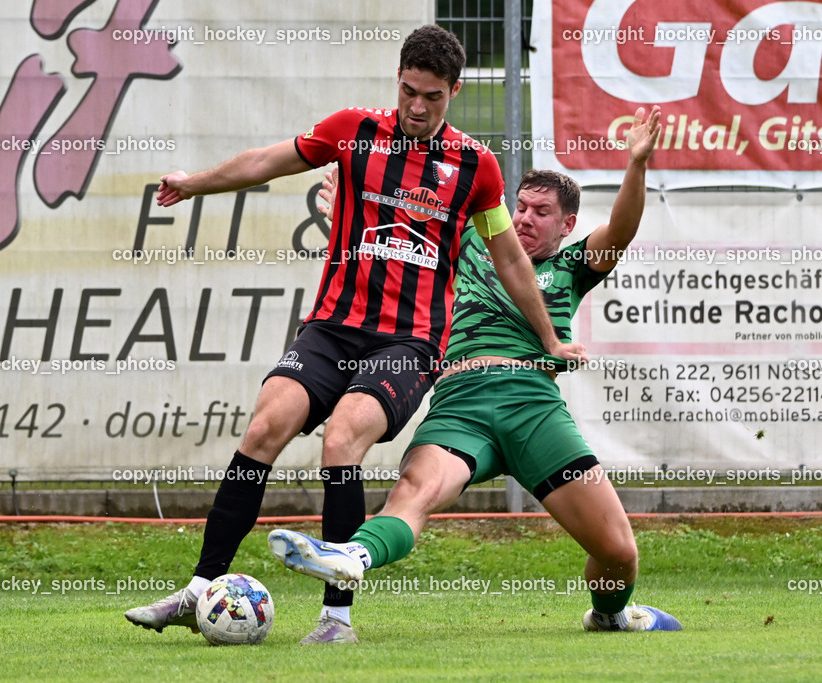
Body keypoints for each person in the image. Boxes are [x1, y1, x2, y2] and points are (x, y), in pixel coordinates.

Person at [125, 24, 585, 645]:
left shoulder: (476, 167)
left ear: (453, 92)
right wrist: (195, 182)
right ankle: (201, 588)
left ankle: (335, 617)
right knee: (264, 427)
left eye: (432, 96)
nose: (417, 107)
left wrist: (551, 343)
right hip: (333, 328)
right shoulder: (352, 130)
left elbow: (509, 259)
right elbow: (267, 160)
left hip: (409, 342)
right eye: (408, 91)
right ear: (398, 80)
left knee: (343, 437)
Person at [269, 106, 683, 634]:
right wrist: (351, 212)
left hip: (533, 408)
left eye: (541, 212)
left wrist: (637, 166)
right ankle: (352, 557)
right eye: (521, 207)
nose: (525, 218)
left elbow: (621, 231)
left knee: (618, 551)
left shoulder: (571, 267)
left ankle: (610, 615)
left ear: (568, 224)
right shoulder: (471, 244)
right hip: (460, 402)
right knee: (415, 493)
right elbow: (401, 238)